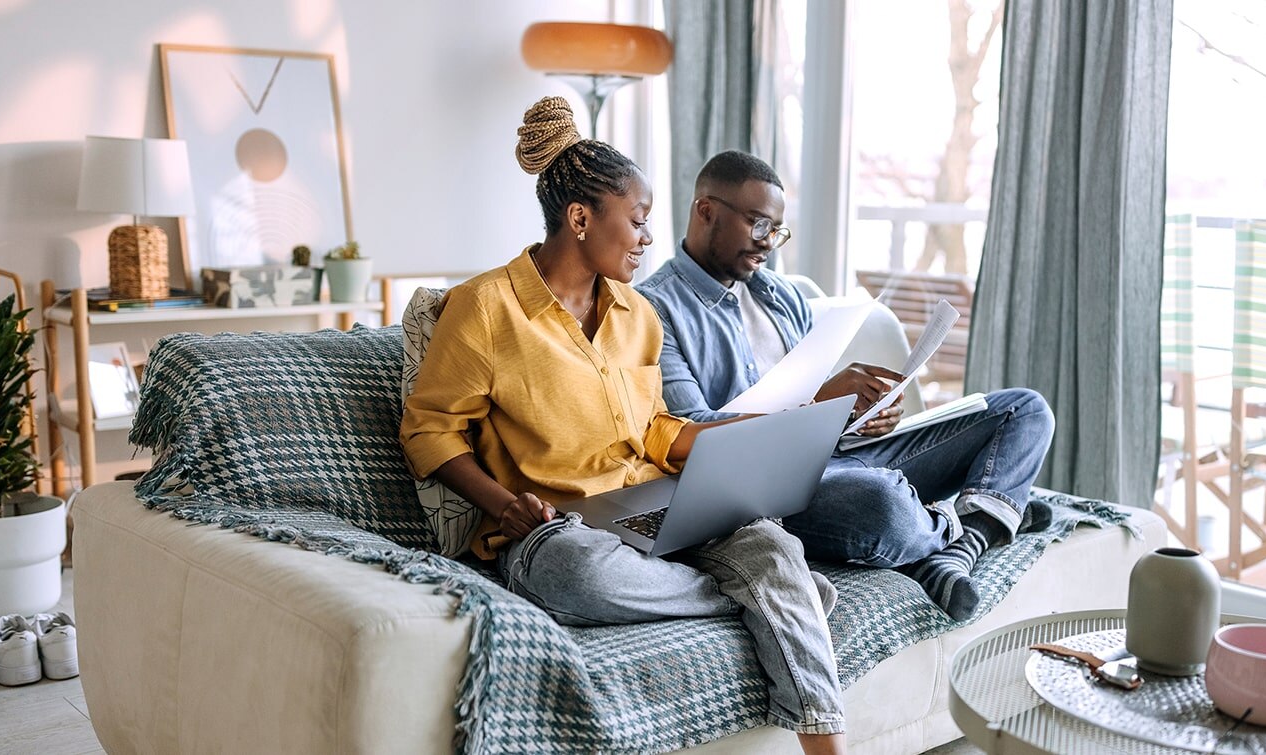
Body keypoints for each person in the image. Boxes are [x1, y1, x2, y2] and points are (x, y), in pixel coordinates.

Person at [399, 100, 848, 754]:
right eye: (637, 221)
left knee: (771, 543)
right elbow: (429, 433)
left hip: (654, 498)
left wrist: (738, 439)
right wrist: (506, 504)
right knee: (579, 576)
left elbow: (655, 430)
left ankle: (825, 736)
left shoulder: (638, 314)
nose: (647, 239)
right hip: (560, 525)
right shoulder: (485, 307)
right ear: (580, 219)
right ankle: (777, 598)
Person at [636, 150, 1054, 621]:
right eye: (758, 225)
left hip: (841, 458)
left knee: (1024, 409)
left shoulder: (782, 294)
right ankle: (985, 519)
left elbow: (819, 408)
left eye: (777, 230)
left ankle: (957, 544)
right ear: (706, 210)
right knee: (883, 503)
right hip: (766, 491)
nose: (769, 243)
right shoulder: (653, 310)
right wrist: (817, 405)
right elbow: (689, 435)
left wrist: (859, 416)